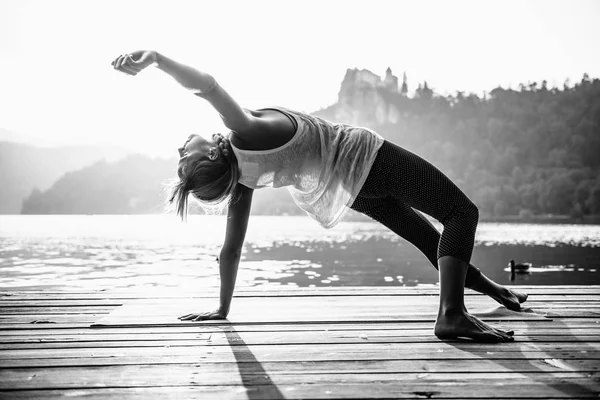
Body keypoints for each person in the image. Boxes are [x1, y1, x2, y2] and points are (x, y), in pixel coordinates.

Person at [112, 50, 528, 342]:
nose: (179, 149)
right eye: (185, 157)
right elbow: (207, 85)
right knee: (460, 211)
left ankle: (486, 290)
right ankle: (451, 314)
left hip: (353, 189)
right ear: (211, 154)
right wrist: (156, 59)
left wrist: (222, 309)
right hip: (368, 160)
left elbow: (231, 249)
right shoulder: (244, 131)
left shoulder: (244, 178)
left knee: (427, 238)